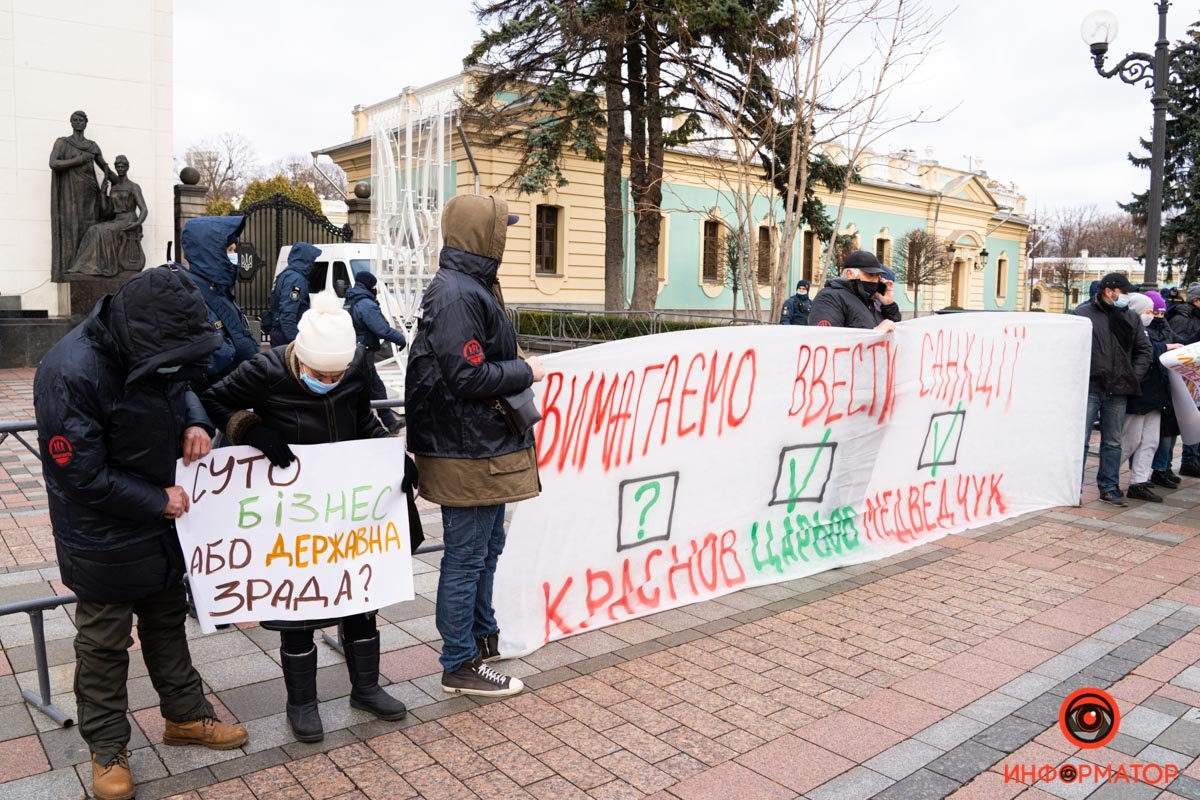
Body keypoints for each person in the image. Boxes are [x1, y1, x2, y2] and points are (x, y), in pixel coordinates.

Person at [33, 266, 248, 800]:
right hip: (103, 532)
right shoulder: (69, 372)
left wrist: (196, 422)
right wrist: (158, 501)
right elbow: (78, 473)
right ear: (141, 339)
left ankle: (186, 717)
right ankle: (107, 750)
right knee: (104, 644)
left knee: (165, 622)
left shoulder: (152, 340)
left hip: (160, 523)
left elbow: (182, 385)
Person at [202, 292, 416, 743]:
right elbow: (212, 399)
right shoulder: (266, 368)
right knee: (295, 608)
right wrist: (250, 429)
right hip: (291, 512)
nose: (330, 381)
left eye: (338, 375)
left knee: (360, 599)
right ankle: (301, 704)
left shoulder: (356, 364)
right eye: (321, 376)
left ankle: (367, 688)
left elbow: (363, 423)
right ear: (300, 359)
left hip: (343, 507)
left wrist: (391, 461)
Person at [405, 194, 544, 697]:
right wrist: (526, 369)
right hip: (468, 447)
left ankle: (482, 641)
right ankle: (459, 664)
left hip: (481, 442)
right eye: (501, 228)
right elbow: (466, 374)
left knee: (487, 547)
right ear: (482, 236)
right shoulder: (460, 293)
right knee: (467, 555)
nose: (506, 235)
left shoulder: (468, 285)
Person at [1075, 272, 1153, 506]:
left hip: (1118, 389)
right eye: (1125, 292)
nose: (1127, 296)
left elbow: (1144, 350)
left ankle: (1109, 487)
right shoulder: (1083, 315)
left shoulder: (1130, 317)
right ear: (1109, 291)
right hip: (1090, 386)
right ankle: (1072, 487)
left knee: (1113, 442)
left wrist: (1132, 375)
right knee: (1081, 440)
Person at [181, 216, 259, 382]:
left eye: (234, 250)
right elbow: (204, 360)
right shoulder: (192, 295)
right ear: (211, 252)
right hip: (217, 395)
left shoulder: (219, 289)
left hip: (236, 389)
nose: (235, 256)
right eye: (230, 250)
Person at [1122, 293, 1181, 502]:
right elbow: (1142, 352)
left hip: (1155, 394)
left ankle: (1139, 482)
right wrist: (1166, 348)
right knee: (1130, 441)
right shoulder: (1129, 328)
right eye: (1148, 311)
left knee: (1151, 441)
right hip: (1140, 393)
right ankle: (1108, 475)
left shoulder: (1152, 329)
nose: (1152, 315)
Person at [48, 110, 114, 282]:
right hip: (70, 194)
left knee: (89, 229)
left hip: (90, 194)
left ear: (86, 123)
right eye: (75, 120)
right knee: (72, 229)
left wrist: (123, 183)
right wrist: (78, 160)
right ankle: (72, 268)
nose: (78, 122)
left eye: (81, 120)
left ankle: (88, 266)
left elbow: (105, 168)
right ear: (71, 123)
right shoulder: (62, 143)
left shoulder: (92, 146)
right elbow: (53, 163)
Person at [345, 271, 407, 432]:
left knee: (371, 388)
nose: (376, 288)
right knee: (371, 389)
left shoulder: (351, 299)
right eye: (374, 285)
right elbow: (382, 329)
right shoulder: (365, 304)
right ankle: (385, 424)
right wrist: (401, 339)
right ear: (368, 285)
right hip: (363, 352)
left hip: (355, 350)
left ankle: (390, 423)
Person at [68, 154, 147, 279]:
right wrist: (102, 193)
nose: (120, 168)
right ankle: (85, 266)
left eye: (122, 166)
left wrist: (137, 224)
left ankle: (102, 266)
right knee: (93, 229)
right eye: (118, 166)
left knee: (104, 231)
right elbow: (106, 212)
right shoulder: (114, 188)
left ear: (127, 168)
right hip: (117, 220)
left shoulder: (133, 187)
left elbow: (144, 209)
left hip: (129, 220)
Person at [807, 250, 897, 332]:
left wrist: (888, 305)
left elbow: (893, 333)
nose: (875, 280)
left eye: (877, 276)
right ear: (850, 274)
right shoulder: (829, 298)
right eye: (870, 275)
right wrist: (875, 334)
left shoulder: (868, 300)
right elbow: (827, 341)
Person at [1167, 284, 1200, 476]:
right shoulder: (1183, 318)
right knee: (1191, 419)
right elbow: (1180, 347)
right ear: (1196, 301)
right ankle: (1189, 460)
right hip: (1188, 379)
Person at [263, 243, 321, 346]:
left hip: (280, 331)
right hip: (285, 335)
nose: (313, 263)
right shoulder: (296, 280)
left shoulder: (287, 274)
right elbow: (288, 312)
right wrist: (294, 340)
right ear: (306, 260)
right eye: (312, 260)